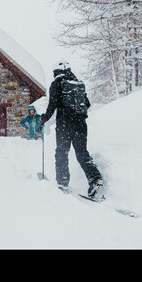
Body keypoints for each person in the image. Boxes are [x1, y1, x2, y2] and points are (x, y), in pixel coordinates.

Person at [39, 61, 103, 198]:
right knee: (82, 153)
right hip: (81, 124)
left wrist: (44, 118)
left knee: (62, 152)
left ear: (55, 72)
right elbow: (87, 104)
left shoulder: (57, 84)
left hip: (64, 124)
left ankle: (63, 184)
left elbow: (52, 105)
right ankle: (95, 179)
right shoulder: (78, 84)